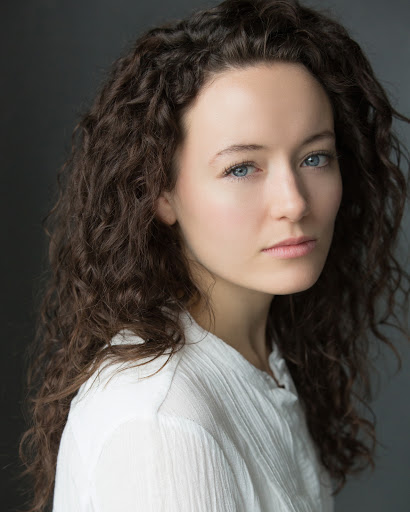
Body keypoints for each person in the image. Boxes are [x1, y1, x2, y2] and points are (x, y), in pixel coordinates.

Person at [18, 0, 410, 511]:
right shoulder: (162, 424)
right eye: (242, 168)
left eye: (315, 157)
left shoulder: (256, 358)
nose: (294, 203)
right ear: (160, 192)